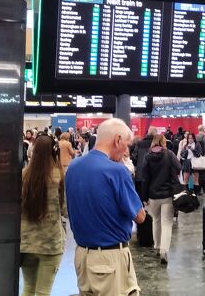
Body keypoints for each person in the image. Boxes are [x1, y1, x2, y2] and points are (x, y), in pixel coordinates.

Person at [65, 118, 147, 296]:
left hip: (82, 256)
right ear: (117, 140)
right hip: (109, 259)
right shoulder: (117, 171)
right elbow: (140, 216)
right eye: (126, 145)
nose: (127, 151)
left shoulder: (73, 167)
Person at [20, 134, 67, 296]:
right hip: (50, 244)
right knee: (43, 292)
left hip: (26, 243)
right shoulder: (59, 177)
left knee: (27, 287)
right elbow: (65, 210)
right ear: (54, 152)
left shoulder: (23, 175)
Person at [142, 134, 181, 266]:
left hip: (153, 196)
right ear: (163, 142)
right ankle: (164, 250)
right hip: (167, 195)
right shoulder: (169, 154)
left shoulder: (147, 156)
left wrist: (144, 196)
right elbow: (178, 168)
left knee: (156, 221)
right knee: (167, 223)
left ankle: (157, 247)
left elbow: (144, 178)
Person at [131, 126, 158, 200]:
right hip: (154, 174)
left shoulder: (140, 143)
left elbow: (134, 157)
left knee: (140, 196)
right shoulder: (157, 145)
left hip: (140, 173)